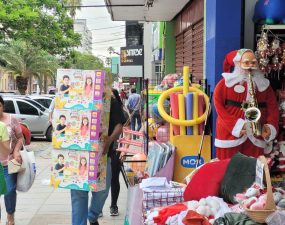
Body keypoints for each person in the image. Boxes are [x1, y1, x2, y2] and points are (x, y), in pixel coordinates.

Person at [70, 89, 126, 225]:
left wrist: (110, 140)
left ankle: (93, 216)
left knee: (102, 191)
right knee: (79, 193)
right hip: (78, 154)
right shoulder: (75, 100)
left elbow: (120, 124)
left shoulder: (110, 101)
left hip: (103, 155)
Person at [214, 49, 279, 160]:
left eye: (253, 63)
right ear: (238, 63)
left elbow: (273, 109)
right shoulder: (224, 84)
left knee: (252, 172)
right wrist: (237, 125)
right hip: (229, 136)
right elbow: (219, 108)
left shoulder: (264, 86)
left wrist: (270, 127)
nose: (250, 66)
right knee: (227, 170)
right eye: (246, 62)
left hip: (257, 136)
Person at [0, 96, 24, 225]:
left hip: (9, 162)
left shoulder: (11, 120)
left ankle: (10, 215)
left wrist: (16, 151)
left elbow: (21, 138)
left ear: (3, 106)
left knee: (9, 190)